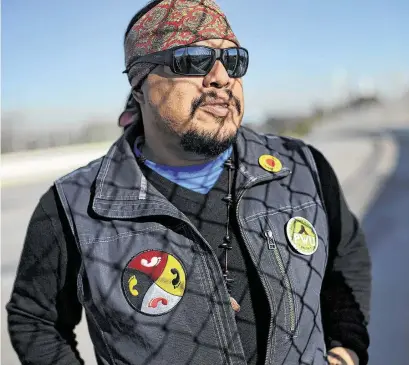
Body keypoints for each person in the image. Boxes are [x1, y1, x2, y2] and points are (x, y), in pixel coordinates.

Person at [6, 1, 372, 364]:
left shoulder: (300, 167)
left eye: (234, 61)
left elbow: (345, 254)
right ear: (140, 85)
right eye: (192, 60)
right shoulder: (74, 207)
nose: (221, 77)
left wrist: (346, 349)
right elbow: (36, 320)